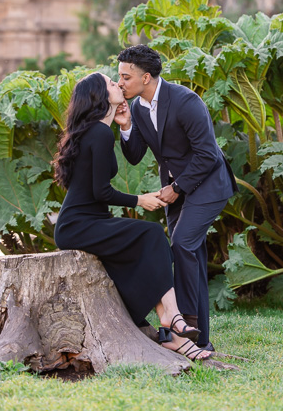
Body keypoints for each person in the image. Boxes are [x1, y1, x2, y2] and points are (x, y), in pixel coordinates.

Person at [53, 71, 212, 362]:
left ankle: (172, 330)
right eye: (111, 83)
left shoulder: (96, 131)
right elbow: (101, 192)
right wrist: (141, 200)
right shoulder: (98, 133)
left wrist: (124, 123)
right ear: (100, 96)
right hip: (79, 225)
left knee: (146, 246)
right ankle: (174, 320)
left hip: (86, 223)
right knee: (151, 235)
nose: (118, 84)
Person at [115, 45, 238, 351]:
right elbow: (134, 156)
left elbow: (208, 155)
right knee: (189, 254)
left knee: (182, 243)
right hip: (179, 191)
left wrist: (177, 187)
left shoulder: (185, 101)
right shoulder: (140, 108)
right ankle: (202, 342)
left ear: (145, 77)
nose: (120, 83)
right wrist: (126, 125)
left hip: (208, 185)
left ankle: (184, 325)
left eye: (125, 77)